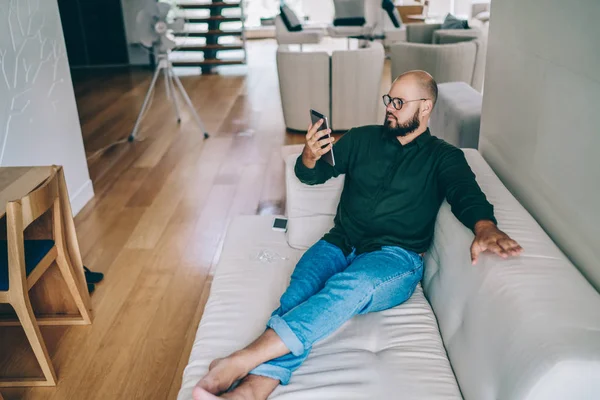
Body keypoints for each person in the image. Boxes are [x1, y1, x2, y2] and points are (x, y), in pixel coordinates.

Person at [192, 70, 523, 400]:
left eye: (399, 102)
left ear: (424, 109)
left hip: (395, 258)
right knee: (299, 293)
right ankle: (251, 391)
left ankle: (241, 360)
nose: (389, 108)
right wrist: (309, 155)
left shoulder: (444, 157)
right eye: (388, 99)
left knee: (351, 286)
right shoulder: (361, 138)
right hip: (339, 242)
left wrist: (485, 227)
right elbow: (313, 175)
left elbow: (466, 194)